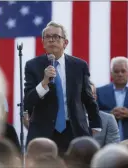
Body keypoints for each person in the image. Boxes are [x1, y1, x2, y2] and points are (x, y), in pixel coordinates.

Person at [24, 21, 102, 156]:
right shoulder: (32, 66)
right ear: (43, 43)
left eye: (56, 36)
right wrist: (44, 82)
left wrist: (95, 125)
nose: (51, 40)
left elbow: (88, 98)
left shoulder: (79, 65)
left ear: (65, 43)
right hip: (44, 131)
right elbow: (28, 101)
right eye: (47, 37)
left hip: (74, 129)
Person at [90, 81, 120, 146]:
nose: (86, 97)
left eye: (90, 93)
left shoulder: (108, 119)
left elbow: (112, 150)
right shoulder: (68, 120)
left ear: (95, 97)